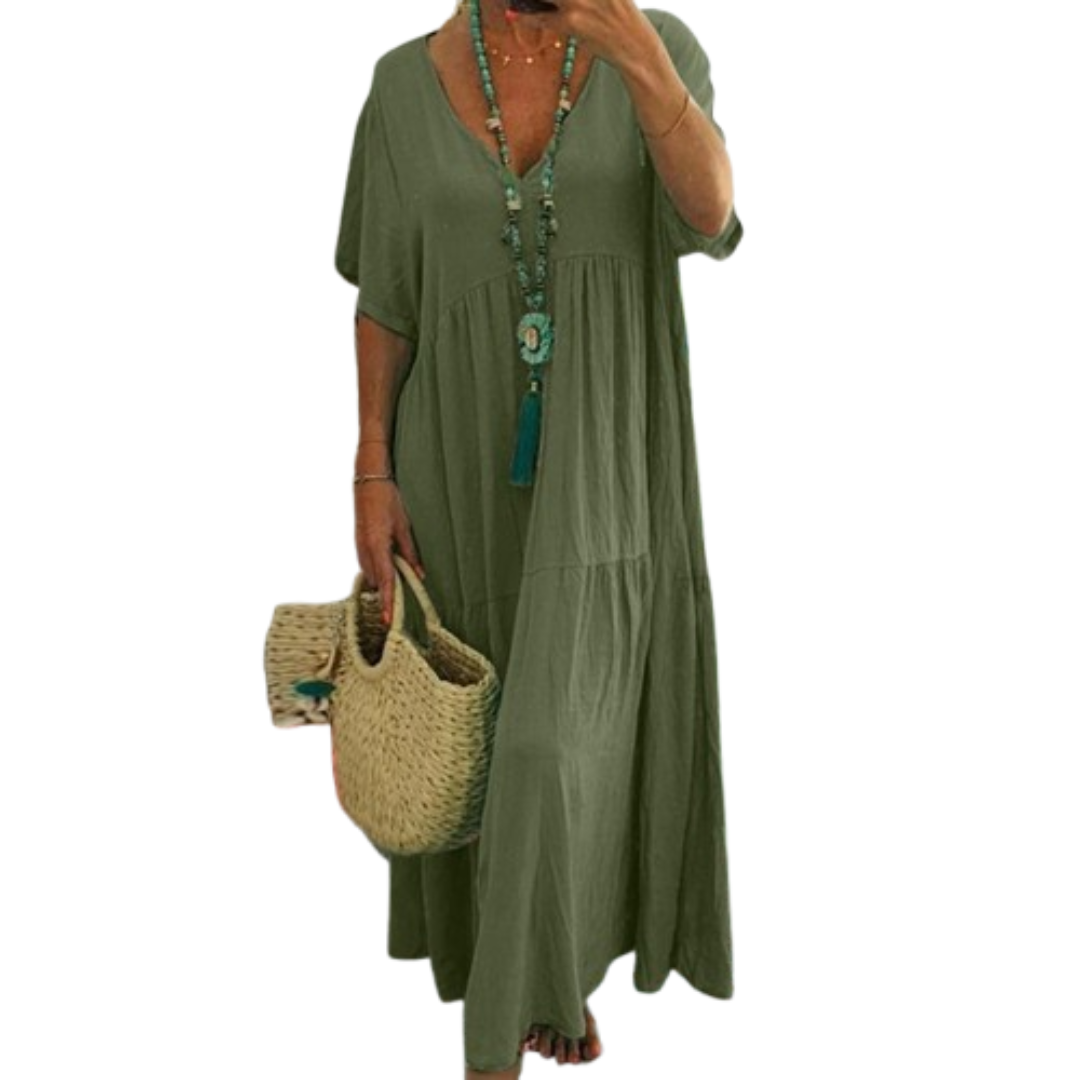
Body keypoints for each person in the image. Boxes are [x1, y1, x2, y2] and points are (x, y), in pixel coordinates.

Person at [336, 0, 743, 1074]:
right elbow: (386, 301)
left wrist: (634, 51)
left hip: (604, 470)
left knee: (545, 750)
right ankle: (546, 976)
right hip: (451, 471)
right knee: (484, 758)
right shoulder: (401, 85)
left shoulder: (657, 47)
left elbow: (710, 212)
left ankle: (492, 1053)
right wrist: (371, 466)